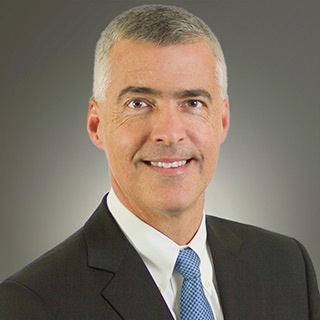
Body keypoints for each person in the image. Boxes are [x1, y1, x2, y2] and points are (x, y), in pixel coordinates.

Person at [0, 4, 319, 319]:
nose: (169, 133)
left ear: (221, 121)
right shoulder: (30, 305)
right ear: (97, 125)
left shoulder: (287, 267)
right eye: (138, 103)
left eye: (193, 102)